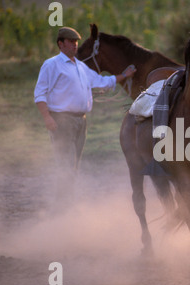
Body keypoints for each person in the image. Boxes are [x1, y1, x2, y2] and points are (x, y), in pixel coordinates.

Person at [34, 27, 136, 209]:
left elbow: (102, 82)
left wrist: (124, 76)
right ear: (60, 44)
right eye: (71, 42)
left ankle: (66, 204)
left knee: (73, 164)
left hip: (81, 121)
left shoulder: (80, 67)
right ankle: (62, 207)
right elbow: (40, 94)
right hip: (62, 120)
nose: (75, 45)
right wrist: (47, 117)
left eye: (76, 42)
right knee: (65, 165)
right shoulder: (51, 65)